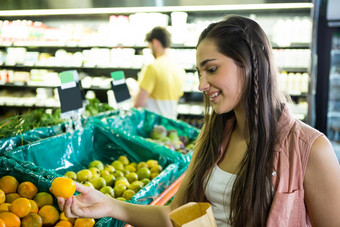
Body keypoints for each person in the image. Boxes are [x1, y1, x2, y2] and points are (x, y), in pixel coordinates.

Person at [57, 15, 340, 226]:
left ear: (251, 65)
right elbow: (175, 216)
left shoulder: (310, 149)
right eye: (199, 73)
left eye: (212, 69)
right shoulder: (213, 135)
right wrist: (109, 205)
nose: (202, 84)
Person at [133, 26, 185, 120]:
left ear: (155, 43)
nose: (150, 50)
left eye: (149, 46)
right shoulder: (179, 69)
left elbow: (138, 104)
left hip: (153, 125)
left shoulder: (152, 67)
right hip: (170, 123)